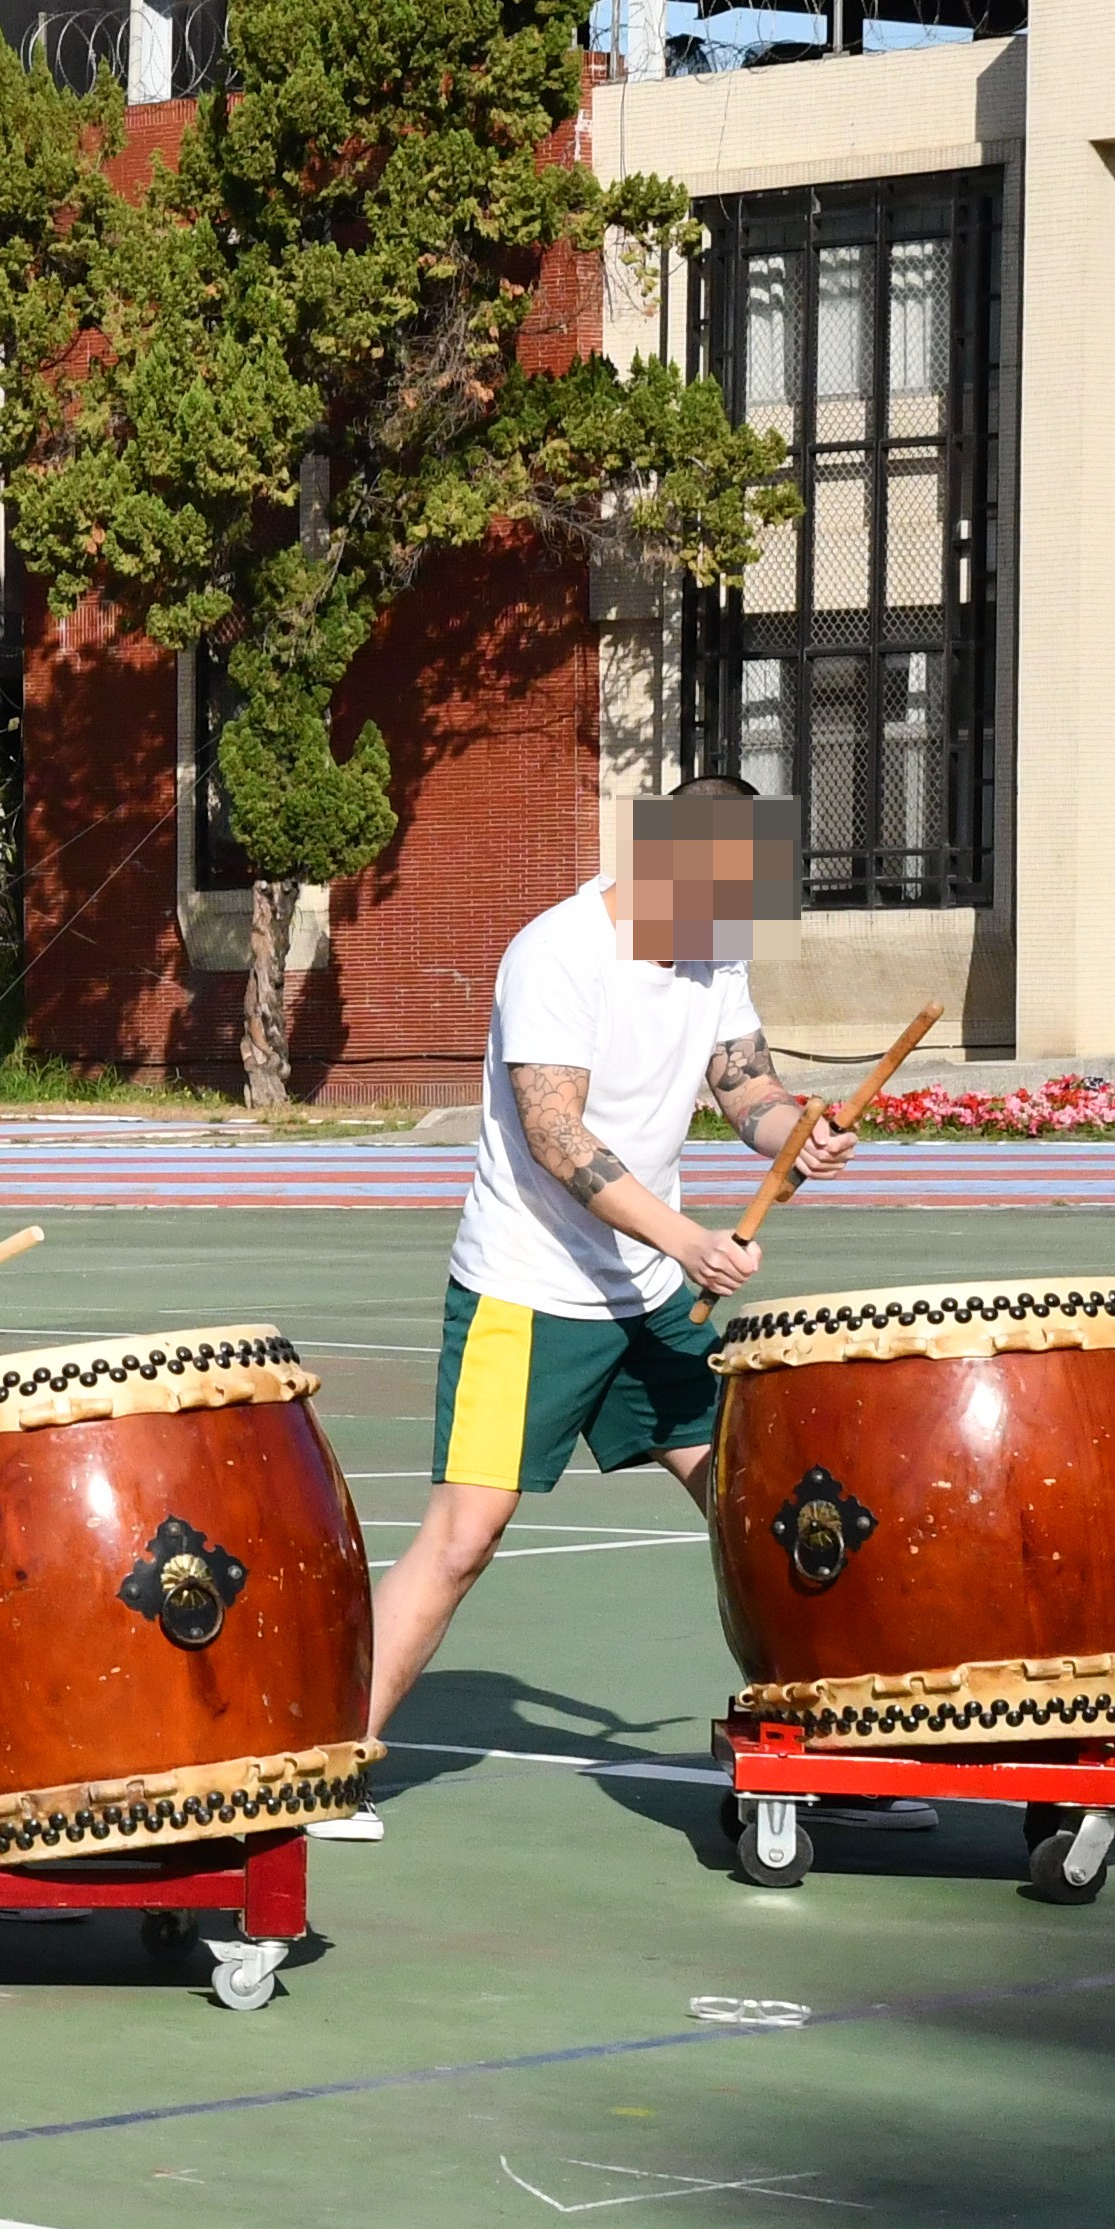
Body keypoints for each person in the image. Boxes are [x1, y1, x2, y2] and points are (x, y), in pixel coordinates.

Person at [338, 776, 853, 1835]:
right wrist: (689, 1240)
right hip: (528, 1290)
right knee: (463, 1537)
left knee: (768, 1513)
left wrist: (798, 1129)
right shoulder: (557, 952)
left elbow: (744, 1088)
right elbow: (555, 1135)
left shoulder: (713, 951)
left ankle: (842, 1750)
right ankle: (323, 1765)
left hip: (651, 1298)